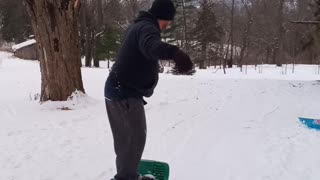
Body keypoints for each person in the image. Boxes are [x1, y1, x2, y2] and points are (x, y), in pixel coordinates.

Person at [104, 0, 194, 179]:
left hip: (116, 89)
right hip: (125, 93)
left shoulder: (137, 26)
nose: (167, 26)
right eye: (167, 22)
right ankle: (127, 177)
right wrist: (175, 53)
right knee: (134, 140)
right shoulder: (147, 28)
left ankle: (127, 175)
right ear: (162, 17)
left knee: (126, 141)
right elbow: (151, 47)